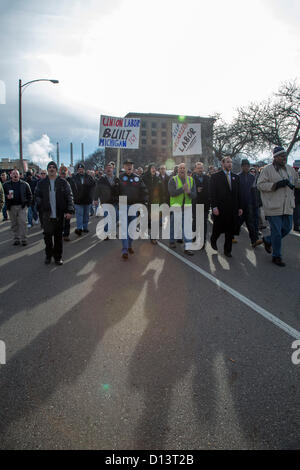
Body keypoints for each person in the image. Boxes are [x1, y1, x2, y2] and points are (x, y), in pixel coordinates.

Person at [257, 146, 300, 267]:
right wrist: (276, 185)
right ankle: (277, 256)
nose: (284, 159)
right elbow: (260, 185)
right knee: (276, 232)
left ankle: (268, 240)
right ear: (275, 157)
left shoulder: (290, 169)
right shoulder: (267, 170)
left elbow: (296, 182)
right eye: (282, 156)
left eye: (285, 156)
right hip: (273, 206)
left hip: (287, 206)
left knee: (286, 229)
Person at [35, 161, 74, 265]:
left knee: (58, 238)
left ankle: (58, 257)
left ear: (56, 170)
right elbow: (37, 196)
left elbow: (69, 196)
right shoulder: (41, 183)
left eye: (53, 167)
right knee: (47, 237)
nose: (51, 169)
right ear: (47, 170)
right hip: (46, 215)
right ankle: (48, 256)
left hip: (59, 215)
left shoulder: (63, 182)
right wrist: (41, 205)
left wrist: (69, 210)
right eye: (49, 167)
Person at [115, 158, 148, 259]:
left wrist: (144, 202)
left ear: (133, 167)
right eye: (127, 165)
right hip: (124, 206)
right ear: (124, 167)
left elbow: (144, 191)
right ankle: (125, 249)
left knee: (132, 229)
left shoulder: (138, 178)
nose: (129, 167)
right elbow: (115, 193)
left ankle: (129, 245)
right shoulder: (119, 178)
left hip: (134, 206)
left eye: (131, 165)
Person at [210, 156, 243, 257]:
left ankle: (227, 250)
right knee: (218, 228)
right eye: (227, 162)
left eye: (231, 162)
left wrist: (240, 207)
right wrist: (214, 207)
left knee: (230, 230)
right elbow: (213, 193)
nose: (230, 164)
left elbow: (239, 193)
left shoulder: (236, 177)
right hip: (220, 208)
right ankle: (213, 239)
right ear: (222, 163)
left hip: (232, 209)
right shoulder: (215, 177)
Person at [168, 162, 196, 255]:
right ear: (177, 170)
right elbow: (172, 193)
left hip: (187, 208)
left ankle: (187, 247)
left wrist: (188, 192)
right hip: (176, 207)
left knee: (187, 228)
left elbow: (194, 195)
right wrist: (182, 189)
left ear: (186, 170)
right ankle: (172, 241)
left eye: (184, 168)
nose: (182, 170)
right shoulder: (173, 179)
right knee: (173, 225)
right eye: (181, 168)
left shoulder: (191, 180)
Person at [237, 159, 263, 248]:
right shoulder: (238, 177)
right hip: (240, 204)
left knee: (250, 222)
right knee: (238, 222)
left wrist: (256, 203)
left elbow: (254, 190)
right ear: (242, 167)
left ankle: (254, 240)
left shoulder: (252, 177)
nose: (246, 168)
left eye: (248, 166)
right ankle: (230, 236)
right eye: (244, 166)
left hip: (249, 203)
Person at [3, 169, 32, 246]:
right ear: (11, 175)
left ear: (19, 175)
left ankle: (24, 239)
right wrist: (7, 196)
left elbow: (30, 195)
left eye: (16, 173)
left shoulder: (25, 184)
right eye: (13, 173)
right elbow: (2, 195)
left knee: (23, 222)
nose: (15, 175)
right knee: (14, 223)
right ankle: (16, 238)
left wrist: (27, 205)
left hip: (22, 206)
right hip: (11, 207)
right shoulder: (6, 185)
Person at [69, 163, 95, 236]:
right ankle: (79, 228)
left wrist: (92, 197)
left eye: (82, 169)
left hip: (87, 200)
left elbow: (93, 187)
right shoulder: (74, 177)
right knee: (79, 215)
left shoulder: (89, 177)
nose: (81, 170)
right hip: (78, 200)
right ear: (77, 170)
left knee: (86, 215)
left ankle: (85, 227)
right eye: (79, 169)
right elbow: (71, 187)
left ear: (84, 169)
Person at [94, 162, 118, 239]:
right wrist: (95, 199)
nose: (109, 169)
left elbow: (120, 190)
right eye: (107, 168)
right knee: (107, 217)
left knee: (115, 217)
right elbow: (97, 189)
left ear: (113, 169)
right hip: (105, 201)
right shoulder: (102, 179)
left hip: (115, 201)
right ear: (105, 170)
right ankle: (106, 233)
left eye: (110, 168)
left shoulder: (116, 179)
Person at [142, 163, 163, 244]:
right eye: (152, 168)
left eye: (155, 168)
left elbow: (161, 191)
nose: (154, 169)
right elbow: (142, 189)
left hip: (155, 202)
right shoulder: (144, 178)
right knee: (145, 219)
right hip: (146, 201)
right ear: (149, 169)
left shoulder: (158, 179)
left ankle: (153, 237)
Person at [192, 162, 210, 249]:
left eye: (201, 168)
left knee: (204, 223)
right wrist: (196, 190)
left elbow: (210, 190)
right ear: (195, 169)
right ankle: (194, 237)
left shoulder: (207, 178)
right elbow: (189, 192)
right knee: (196, 222)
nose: (200, 169)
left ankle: (203, 241)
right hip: (196, 203)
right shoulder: (191, 178)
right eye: (198, 168)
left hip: (205, 204)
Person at [58, 165, 72, 241]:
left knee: (67, 221)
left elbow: (71, 195)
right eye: (61, 173)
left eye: (64, 173)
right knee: (59, 222)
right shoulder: (55, 181)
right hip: (58, 205)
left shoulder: (69, 181)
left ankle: (66, 235)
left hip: (67, 204)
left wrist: (71, 208)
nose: (63, 175)